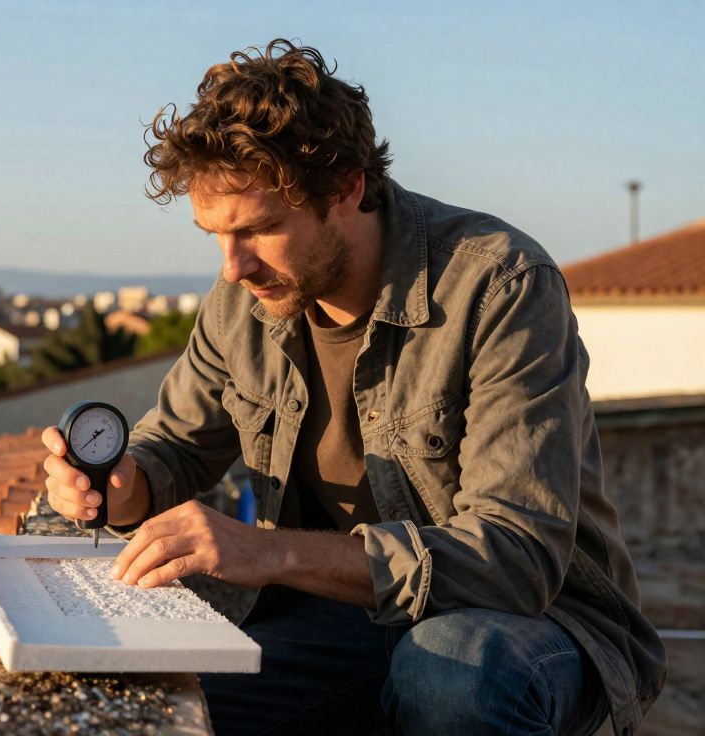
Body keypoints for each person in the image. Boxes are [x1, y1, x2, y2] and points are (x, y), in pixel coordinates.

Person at [39, 39, 664, 735]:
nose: (233, 267)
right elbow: (175, 446)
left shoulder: (500, 285)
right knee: (148, 707)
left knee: (448, 672)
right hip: (337, 624)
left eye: (260, 229)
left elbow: (515, 560)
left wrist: (267, 551)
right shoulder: (243, 299)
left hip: (530, 629)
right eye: (214, 234)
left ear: (347, 188)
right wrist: (121, 485)